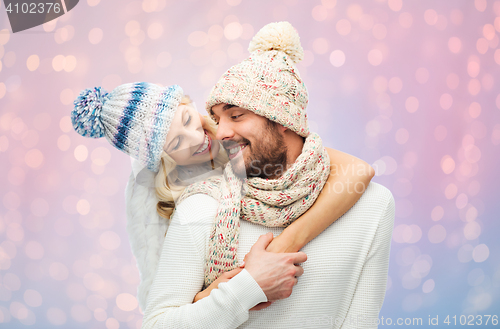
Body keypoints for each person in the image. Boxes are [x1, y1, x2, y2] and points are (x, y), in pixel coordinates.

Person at [141, 22, 395, 328]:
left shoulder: (373, 206)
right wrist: (248, 287)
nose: (221, 132)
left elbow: (361, 321)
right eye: (217, 119)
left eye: (236, 116)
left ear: (282, 119)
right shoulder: (201, 207)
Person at [71, 81, 375, 311]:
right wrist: (222, 291)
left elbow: (358, 171)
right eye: (176, 142)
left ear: (189, 105)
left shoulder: (237, 137)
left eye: (188, 120)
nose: (196, 139)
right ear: (162, 159)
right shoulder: (170, 202)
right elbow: (169, 306)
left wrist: (284, 246)